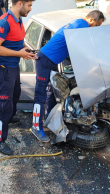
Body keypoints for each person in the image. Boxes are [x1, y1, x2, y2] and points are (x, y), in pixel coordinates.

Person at [31, 10, 105, 142]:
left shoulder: (77, 22)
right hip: (45, 60)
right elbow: (81, 49)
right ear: (92, 20)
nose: (94, 29)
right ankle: (36, 127)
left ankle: (49, 119)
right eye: (96, 26)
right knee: (40, 95)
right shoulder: (81, 26)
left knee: (51, 92)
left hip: (50, 60)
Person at [0, 0, 37, 155]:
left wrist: (26, 49)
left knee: (15, 94)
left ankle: (9, 117)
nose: (31, 8)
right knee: (3, 104)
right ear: (19, 3)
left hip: (13, 65)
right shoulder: (4, 21)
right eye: (29, 5)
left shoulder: (19, 19)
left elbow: (17, 39)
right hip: (2, 67)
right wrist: (20, 54)